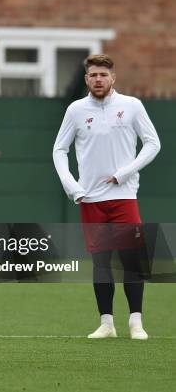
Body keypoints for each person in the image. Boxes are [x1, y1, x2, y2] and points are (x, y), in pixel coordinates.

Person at [53, 54, 160, 340]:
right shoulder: (75, 110)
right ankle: (107, 324)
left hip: (124, 196)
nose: (98, 79)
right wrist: (72, 186)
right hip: (90, 200)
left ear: (113, 78)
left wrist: (125, 172)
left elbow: (153, 143)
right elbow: (59, 150)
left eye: (103, 75)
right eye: (93, 75)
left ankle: (136, 324)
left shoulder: (132, 106)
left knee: (131, 261)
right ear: (86, 79)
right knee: (100, 263)